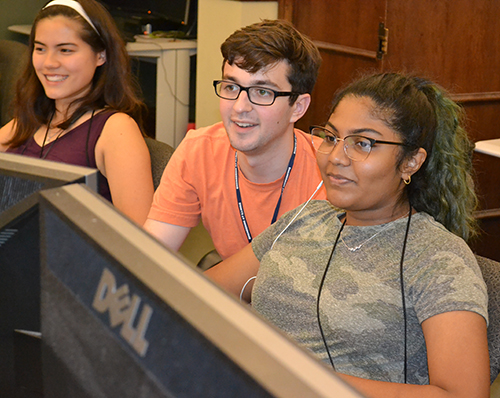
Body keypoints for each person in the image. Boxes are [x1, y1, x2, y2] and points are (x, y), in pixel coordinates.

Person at [206, 72, 490, 397]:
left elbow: (463, 395)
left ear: (411, 162)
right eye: (330, 137)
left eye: (362, 143)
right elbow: (198, 293)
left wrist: (297, 375)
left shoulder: (437, 258)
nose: (336, 158)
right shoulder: (306, 219)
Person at [144, 20, 326, 260]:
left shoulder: (332, 173)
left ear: (298, 107)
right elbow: (147, 256)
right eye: (231, 87)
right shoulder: (199, 150)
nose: (240, 108)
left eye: (262, 92)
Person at [0, 0, 154, 225]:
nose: (49, 63)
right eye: (40, 48)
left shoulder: (116, 129)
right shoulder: (33, 118)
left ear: (101, 55)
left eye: (65, 50)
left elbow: (141, 241)